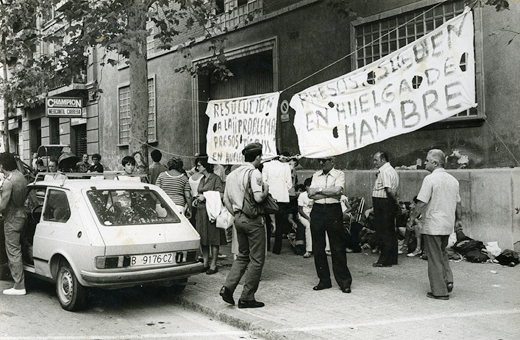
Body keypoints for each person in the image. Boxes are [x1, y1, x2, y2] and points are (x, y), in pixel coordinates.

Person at [407, 149, 462, 300]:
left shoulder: (430, 179)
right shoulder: (453, 180)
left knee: (434, 257)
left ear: (435, 163)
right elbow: (458, 203)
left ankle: (440, 291)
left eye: (427, 160)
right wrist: (458, 220)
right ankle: (448, 280)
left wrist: (412, 218)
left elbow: (422, 202)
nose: (425, 162)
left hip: (433, 224)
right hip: (447, 224)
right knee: (442, 253)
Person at [220, 142, 269, 309]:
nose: (261, 159)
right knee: (257, 259)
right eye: (260, 156)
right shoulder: (254, 173)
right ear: (257, 157)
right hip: (253, 220)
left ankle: (227, 288)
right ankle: (247, 297)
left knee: (242, 256)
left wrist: (236, 215)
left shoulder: (232, 174)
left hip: (238, 218)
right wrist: (266, 189)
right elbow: (259, 199)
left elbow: (225, 199)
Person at [308, 157, 352, 293]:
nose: (321, 163)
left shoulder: (339, 174)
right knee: (318, 247)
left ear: (332, 161)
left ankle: (344, 282)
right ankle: (324, 280)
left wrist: (319, 190)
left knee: (337, 246)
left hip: (333, 211)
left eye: (325, 160)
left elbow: (338, 191)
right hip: (318, 211)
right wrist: (328, 192)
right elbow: (310, 194)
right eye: (319, 161)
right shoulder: (316, 175)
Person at [0, 152, 28, 295]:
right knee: (19, 248)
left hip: (12, 217)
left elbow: (2, 206)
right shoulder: (21, 177)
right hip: (23, 214)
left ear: (2, 165)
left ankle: (19, 285)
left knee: (13, 250)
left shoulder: (8, 182)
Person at [193, 157, 226, 275]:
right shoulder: (202, 179)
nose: (197, 168)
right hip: (201, 212)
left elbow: (221, 194)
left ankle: (213, 264)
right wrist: (197, 199)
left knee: (213, 237)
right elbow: (199, 192)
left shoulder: (215, 178)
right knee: (204, 238)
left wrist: (206, 196)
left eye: (199, 165)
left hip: (211, 212)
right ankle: (206, 263)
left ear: (206, 166)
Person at [371, 151, 400, 267]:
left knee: (383, 231)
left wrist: (395, 201)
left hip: (383, 203)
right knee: (390, 230)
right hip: (386, 203)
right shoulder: (392, 170)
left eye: (376, 160)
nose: (374, 162)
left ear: (383, 160)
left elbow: (388, 190)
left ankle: (384, 259)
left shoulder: (385, 171)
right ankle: (392, 258)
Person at [262, 154, 292, 255]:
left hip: (269, 197)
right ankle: (277, 248)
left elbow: (264, 182)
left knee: (267, 221)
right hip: (282, 197)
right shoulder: (286, 166)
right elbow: (289, 184)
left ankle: (266, 246)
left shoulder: (265, 165)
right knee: (280, 223)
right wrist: (282, 189)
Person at [297, 179, 313, 258]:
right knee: (309, 226)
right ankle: (308, 250)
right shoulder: (302, 195)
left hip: (313, 215)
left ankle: (326, 249)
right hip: (304, 215)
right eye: (309, 186)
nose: (310, 187)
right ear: (306, 187)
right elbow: (300, 210)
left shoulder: (315, 195)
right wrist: (308, 218)